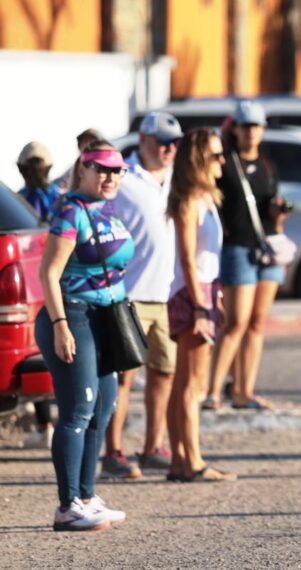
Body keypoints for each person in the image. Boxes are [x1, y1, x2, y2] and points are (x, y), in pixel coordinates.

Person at [35, 140, 132, 531]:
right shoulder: (70, 211)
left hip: (105, 318)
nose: (109, 176)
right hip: (73, 316)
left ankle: (87, 495)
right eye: (101, 168)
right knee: (77, 410)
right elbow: (48, 273)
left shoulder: (105, 209)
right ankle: (67, 505)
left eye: (116, 169)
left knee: (102, 408)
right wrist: (60, 325)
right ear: (84, 170)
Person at [101, 112, 183, 480]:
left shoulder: (177, 179)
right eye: (163, 141)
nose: (169, 148)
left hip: (167, 293)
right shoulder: (123, 178)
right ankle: (113, 451)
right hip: (129, 294)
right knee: (124, 377)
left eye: (175, 142)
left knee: (164, 372)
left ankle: (153, 446)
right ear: (145, 139)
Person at [205, 100, 289, 410]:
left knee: (257, 323)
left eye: (256, 126)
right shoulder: (225, 163)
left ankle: (244, 391)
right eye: (245, 126)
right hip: (237, 247)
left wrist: (278, 214)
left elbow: (271, 214)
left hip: (267, 247)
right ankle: (213, 391)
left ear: (263, 130)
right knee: (235, 322)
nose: (251, 132)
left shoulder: (268, 166)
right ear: (235, 129)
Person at [165, 128, 236, 482]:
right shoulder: (189, 202)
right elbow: (188, 259)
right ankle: (192, 459)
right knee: (193, 383)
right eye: (215, 155)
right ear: (197, 160)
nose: (223, 160)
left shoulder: (207, 199)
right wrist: (200, 304)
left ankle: (181, 458)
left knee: (184, 382)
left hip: (205, 288)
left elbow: (208, 260)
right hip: (191, 292)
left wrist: (216, 295)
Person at [15, 141, 62, 449]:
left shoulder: (23, 203)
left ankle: (47, 421)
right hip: (43, 286)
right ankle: (47, 421)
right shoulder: (53, 200)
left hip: (39, 286)